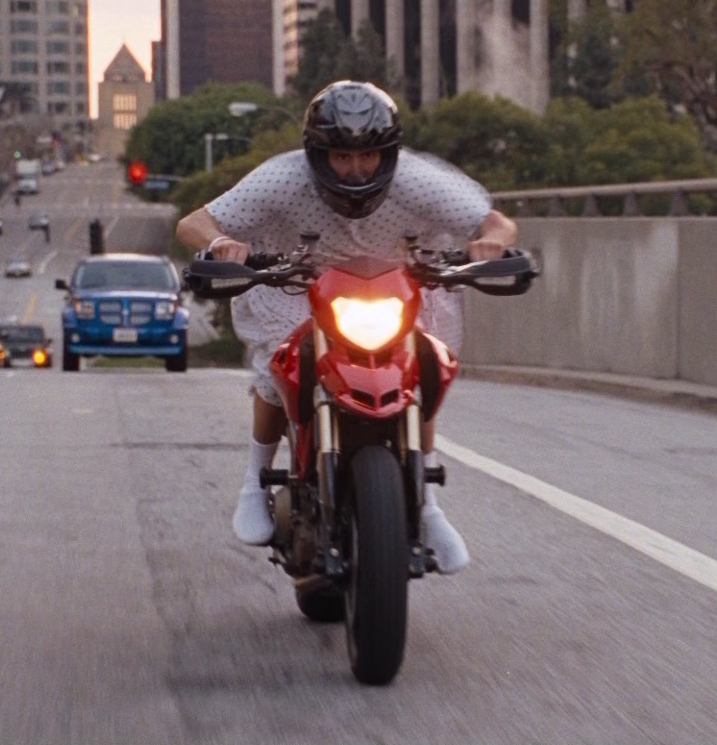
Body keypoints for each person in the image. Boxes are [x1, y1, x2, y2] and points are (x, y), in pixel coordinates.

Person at [174, 80, 517, 574]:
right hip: (295, 283)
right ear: (317, 154)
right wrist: (222, 243)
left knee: (421, 367)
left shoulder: (419, 181)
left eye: (368, 155)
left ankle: (427, 506)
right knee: (277, 369)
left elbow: (497, 223)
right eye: (342, 156)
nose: (357, 168)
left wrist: (493, 243)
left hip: (395, 287)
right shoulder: (281, 179)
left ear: (389, 153)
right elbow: (193, 223)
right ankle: (254, 482)